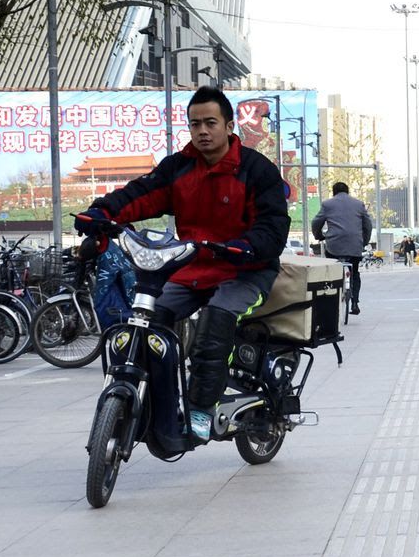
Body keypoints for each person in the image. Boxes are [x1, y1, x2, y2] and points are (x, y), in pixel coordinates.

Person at [74, 85, 289, 442]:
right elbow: (141, 194)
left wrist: (247, 246)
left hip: (244, 270)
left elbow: (273, 225)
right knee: (145, 320)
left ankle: (202, 409)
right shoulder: (179, 167)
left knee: (215, 321)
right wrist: (102, 212)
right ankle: (155, 403)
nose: (202, 131)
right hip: (192, 269)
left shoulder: (257, 170)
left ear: (229, 126)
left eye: (210, 123)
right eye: (195, 124)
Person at [310, 181, 373, 314]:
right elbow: (368, 225)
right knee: (354, 273)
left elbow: (316, 222)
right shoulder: (359, 204)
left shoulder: (327, 204)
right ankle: (355, 303)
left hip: (334, 246)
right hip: (354, 246)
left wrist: (318, 235)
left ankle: (331, 302)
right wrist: (364, 241)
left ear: (334, 192)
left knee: (331, 273)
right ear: (347, 191)